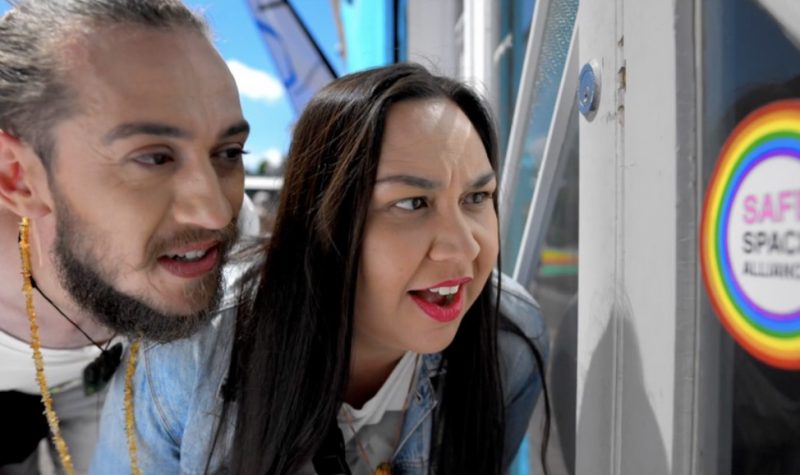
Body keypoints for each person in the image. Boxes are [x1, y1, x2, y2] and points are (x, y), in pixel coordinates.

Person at [92, 63, 549, 475]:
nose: (464, 248)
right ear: (320, 223)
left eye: (476, 198)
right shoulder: (191, 346)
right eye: (411, 203)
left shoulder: (507, 341)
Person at [0, 1, 250, 473]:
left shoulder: (231, 228)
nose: (216, 212)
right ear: (19, 178)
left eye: (229, 151)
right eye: (154, 158)